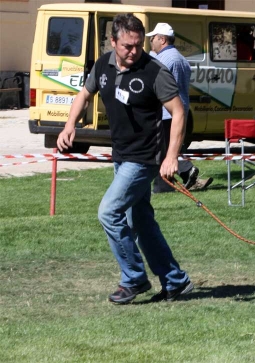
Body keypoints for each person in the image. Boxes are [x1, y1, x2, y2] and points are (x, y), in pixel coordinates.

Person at [57, 13, 193, 304]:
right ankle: (175, 280)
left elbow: (179, 111)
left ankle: (133, 278)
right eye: (128, 46)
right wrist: (70, 125)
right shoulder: (103, 64)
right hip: (121, 155)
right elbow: (83, 94)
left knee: (108, 212)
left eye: (139, 45)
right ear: (113, 41)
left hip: (144, 158)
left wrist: (172, 157)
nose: (134, 51)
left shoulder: (155, 71)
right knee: (140, 221)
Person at [146, 22, 213, 193]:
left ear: (162, 39)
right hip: (179, 111)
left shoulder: (163, 60)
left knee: (162, 150)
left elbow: (155, 85)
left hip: (166, 113)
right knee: (171, 148)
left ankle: (168, 182)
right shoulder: (180, 58)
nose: (150, 42)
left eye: (152, 38)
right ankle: (186, 174)